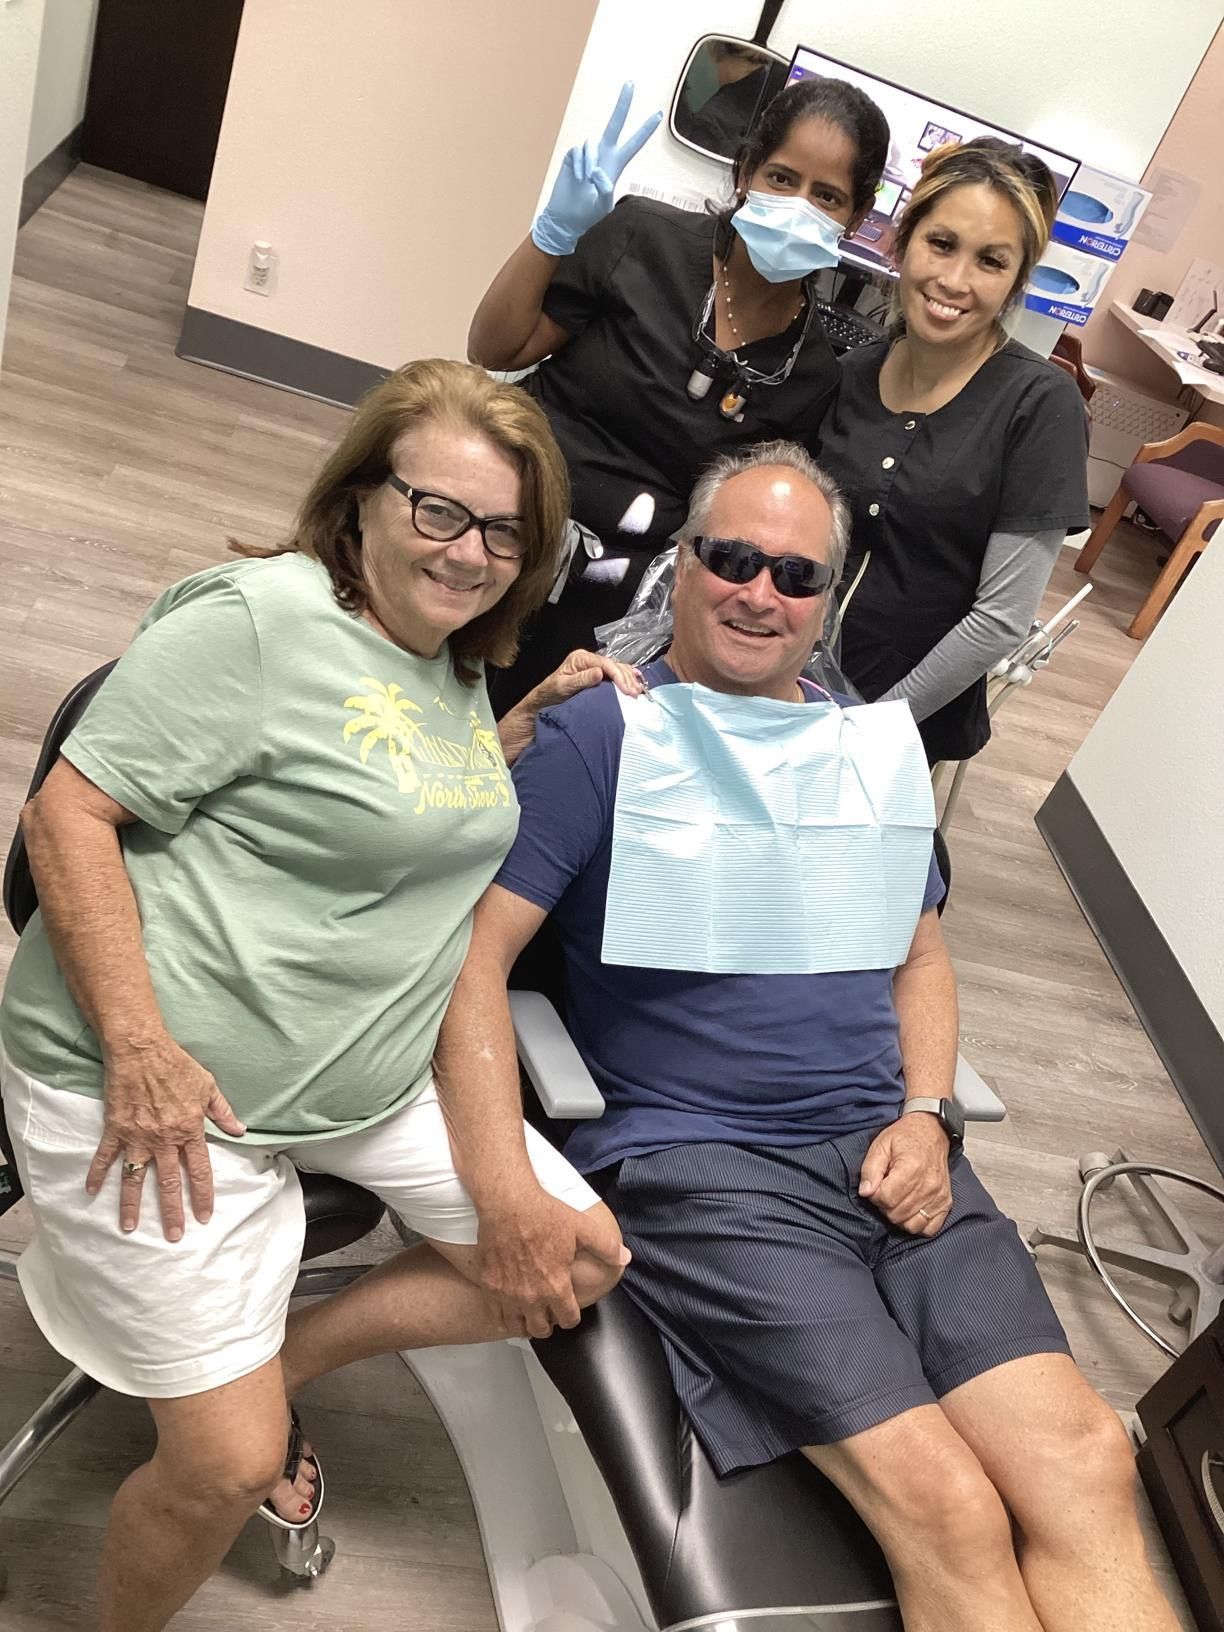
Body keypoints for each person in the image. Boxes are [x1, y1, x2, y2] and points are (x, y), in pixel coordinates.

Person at [436, 443, 1181, 1632]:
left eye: (795, 574)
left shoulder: (867, 752)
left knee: (1089, 1461)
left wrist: (929, 1117)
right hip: (708, 1172)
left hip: (894, 1160)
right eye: (730, 559)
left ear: (828, 600)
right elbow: (469, 962)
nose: (758, 592)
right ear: (680, 570)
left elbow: (921, 956)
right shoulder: (602, 742)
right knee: (944, 1504)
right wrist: (501, 1187)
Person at [0, 359, 639, 1632]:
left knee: (578, 1261)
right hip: (165, 1087)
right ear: (359, 502)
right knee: (228, 1467)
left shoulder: (451, 660)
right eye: (436, 510)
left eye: (505, 531)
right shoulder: (257, 622)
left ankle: (284, 1361)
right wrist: (137, 1045)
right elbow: (69, 810)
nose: (467, 554)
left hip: (361, 1078)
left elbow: (385, 782)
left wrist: (513, 730)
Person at [468, 75, 890, 713]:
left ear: (856, 218)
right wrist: (551, 236)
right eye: (782, 178)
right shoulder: (643, 240)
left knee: (534, 749)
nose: (799, 204)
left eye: (826, 195)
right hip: (509, 529)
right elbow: (495, 349)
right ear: (745, 173)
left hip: (620, 610)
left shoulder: (813, 376)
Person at [815, 138, 1090, 765]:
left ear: (1016, 281)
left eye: (990, 261)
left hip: (903, 726)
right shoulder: (853, 373)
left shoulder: (1040, 404)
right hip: (791, 690)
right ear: (904, 239)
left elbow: (1000, 618)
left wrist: (869, 731)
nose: (955, 281)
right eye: (941, 244)